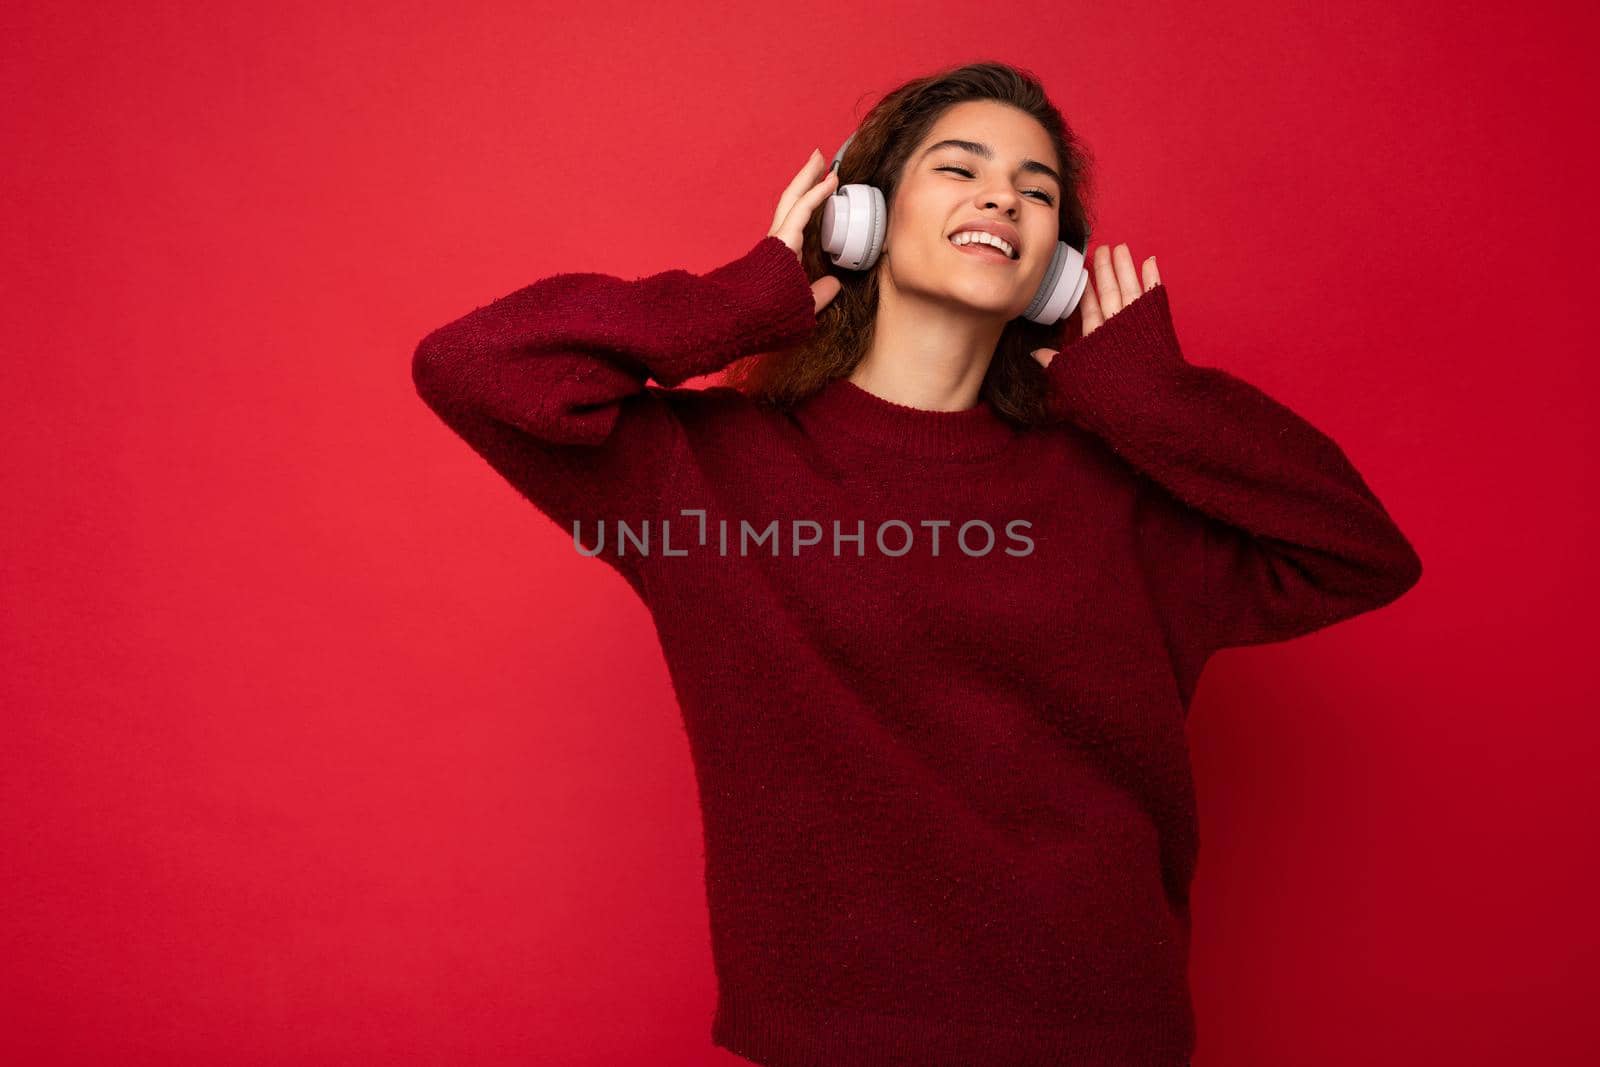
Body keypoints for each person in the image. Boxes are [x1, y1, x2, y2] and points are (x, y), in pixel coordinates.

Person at [411, 61, 1421, 1067]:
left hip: (1100, 1034)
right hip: (830, 1038)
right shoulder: (703, 474)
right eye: (961, 167)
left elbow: (1357, 552)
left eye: (1037, 189)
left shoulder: (1119, 488)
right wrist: (746, 295)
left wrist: (1155, 400)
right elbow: (472, 368)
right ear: (861, 218)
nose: (1003, 196)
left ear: (1054, 270)